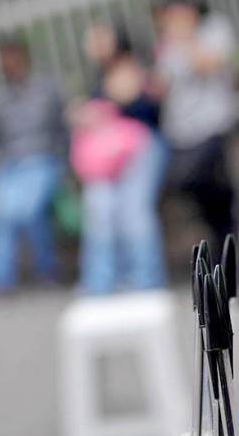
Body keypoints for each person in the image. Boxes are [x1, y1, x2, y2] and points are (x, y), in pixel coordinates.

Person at [72, 23, 167, 294]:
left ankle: (146, 278)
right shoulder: (98, 77)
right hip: (108, 157)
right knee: (99, 208)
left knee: (134, 210)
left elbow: (142, 105)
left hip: (142, 148)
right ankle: (100, 280)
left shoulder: (137, 69)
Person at [0, 37, 65, 293]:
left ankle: (46, 270)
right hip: (10, 165)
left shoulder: (47, 89)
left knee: (28, 212)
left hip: (43, 160)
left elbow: (61, 131)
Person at [155, 0, 237, 248]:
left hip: (212, 127)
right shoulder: (166, 45)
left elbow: (207, 64)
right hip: (182, 133)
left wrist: (184, 37)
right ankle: (220, 245)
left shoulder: (213, 30)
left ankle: (231, 243)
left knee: (214, 188)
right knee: (200, 196)